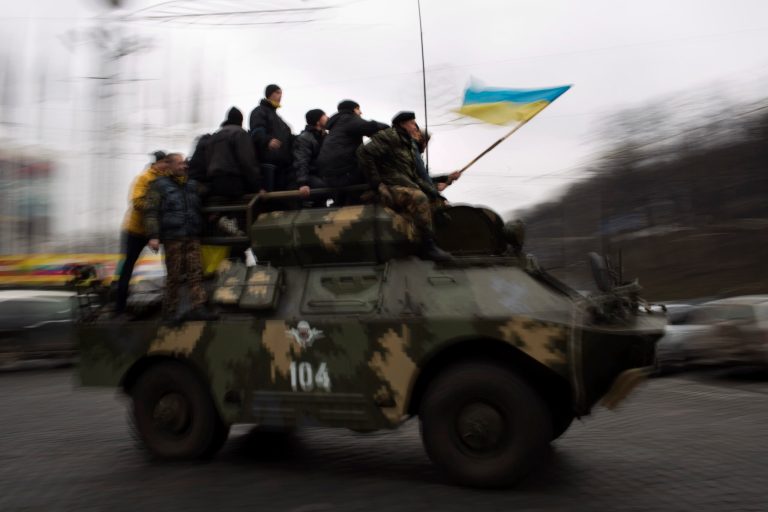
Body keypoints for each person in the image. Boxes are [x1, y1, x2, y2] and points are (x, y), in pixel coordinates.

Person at [357, 111, 453, 262]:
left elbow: (413, 175)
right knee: (418, 198)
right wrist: (377, 184)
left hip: (402, 184)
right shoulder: (390, 136)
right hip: (389, 186)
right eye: (412, 123)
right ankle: (427, 247)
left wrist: (434, 192)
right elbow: (363, 153)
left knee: (436, 200)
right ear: (402, 124)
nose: (415, 127)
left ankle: (437, 242)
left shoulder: (407, 143)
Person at [144, 153, 218, 322]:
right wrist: (153, 236)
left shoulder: (192, 185)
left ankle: (198, 307)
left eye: (185, 163)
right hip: (173, 237)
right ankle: (170, 312)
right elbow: (150, 212)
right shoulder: (157, 186)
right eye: (179, 163)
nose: (184, 166)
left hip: (192, 235)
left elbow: (207, 191)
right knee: (174, 276)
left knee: (195, 273)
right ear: (169, 166)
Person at [114, 150, 168, 317]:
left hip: (156, 230)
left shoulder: (166, 178)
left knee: (169, 263)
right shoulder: (144, 178)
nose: (166, 166)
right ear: (157, 163)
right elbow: (137, 201)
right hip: (135, 230)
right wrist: (156, 206)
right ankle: (119, 306)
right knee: (128, 267)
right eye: (164, 163)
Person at [316, 100, 388, 202]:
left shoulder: (336, 125)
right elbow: (371, 126)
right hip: (343, 174)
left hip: (329, 175)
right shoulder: (348, 119)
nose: (361, 113)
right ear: (353, 109)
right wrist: (389, 128)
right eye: (358, 109)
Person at [208, 106, 262, 198]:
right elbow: (247, 161)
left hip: (215, 183)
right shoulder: (240, 133)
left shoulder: (215, 136)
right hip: (235, 183)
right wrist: (257, 186)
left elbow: (208, 159)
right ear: (240, 120)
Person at [248, 84, 293, 191]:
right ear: (269, 94)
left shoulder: (279, 119)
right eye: (277, 92)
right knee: (269, 199)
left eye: (281, 93)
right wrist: (267, 140)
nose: (280, 96)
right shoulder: (260, 111)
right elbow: (257, 131)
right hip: (267, 165)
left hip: (281, 165)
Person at [292, 108, 329, 199]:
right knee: (323, 187)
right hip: (311, 175)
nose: (328, 117)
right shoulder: (305, 138)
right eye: (324, 115)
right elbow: (302, 161)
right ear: (317, 121)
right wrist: (303, 183)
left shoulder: (326, 136)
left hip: (323, 174)